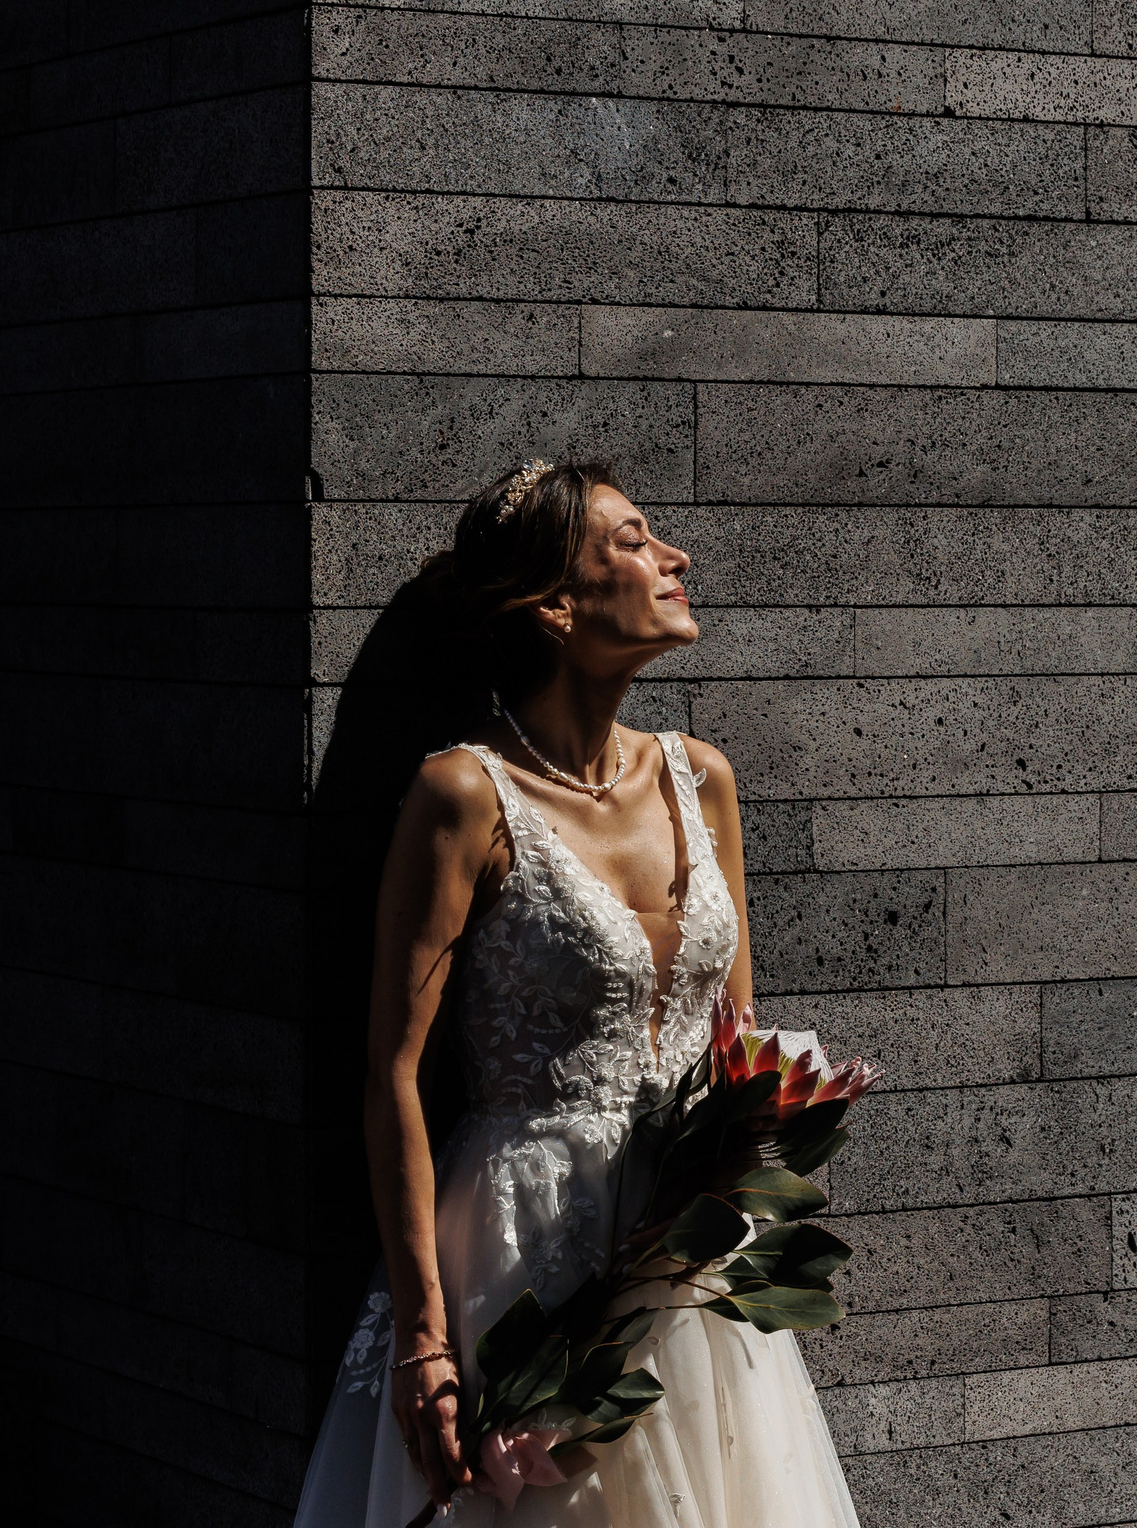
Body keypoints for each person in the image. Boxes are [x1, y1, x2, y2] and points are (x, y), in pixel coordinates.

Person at [293, 460, 860, 1528]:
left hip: (683, 1247)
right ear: (558, 604)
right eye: (636, 541)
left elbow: (739, 1049)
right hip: (520, 1235)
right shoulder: (462, 795)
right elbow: (392, 1075)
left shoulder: (703, 778)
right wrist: (425, 1338)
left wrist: (753, 1183)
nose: (675, 559)